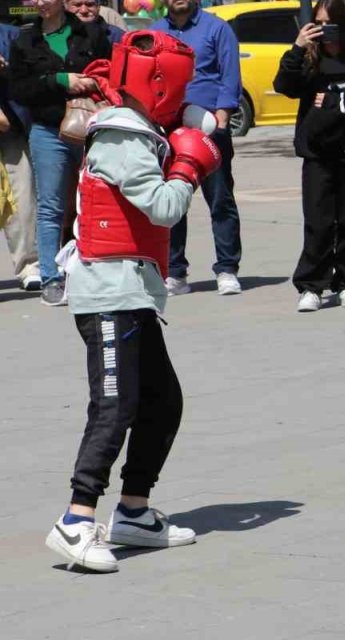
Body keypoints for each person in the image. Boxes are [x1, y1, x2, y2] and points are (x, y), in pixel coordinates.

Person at [44, 31, 221, 573]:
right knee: (114, 405)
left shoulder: (138, 129)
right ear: (161, 85)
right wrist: (189, 166)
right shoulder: (124, 137)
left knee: (162, 402)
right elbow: (164, 207)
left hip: (132, 289)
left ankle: (134, 512)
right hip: (107, 293)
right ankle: (76, 520)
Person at [274, 0, 345, 312]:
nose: (325, 30)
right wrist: (298, 46)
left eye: (331, 23)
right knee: (318, 223)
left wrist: (335, 101)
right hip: (318, 156)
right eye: (319, 23)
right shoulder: (310, 63)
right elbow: (284, 85)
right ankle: (312, 285)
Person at [9, 0, 111, 306]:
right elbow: (19, 90)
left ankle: (95, 272)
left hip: (91, 128)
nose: (40, 4)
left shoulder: (91, 33)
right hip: (48, 132)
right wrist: (59, 80)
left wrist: (93, 81)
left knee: (95, 203)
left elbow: (112, 74)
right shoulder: (25, 40)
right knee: (50, 207)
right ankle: (51, 278)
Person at [151, 0, 244, 297]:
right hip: (168, 129)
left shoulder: (217, 28)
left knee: (220, 200)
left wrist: (222, 118)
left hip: (208, 128)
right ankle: (174, 271)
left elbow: (230, 74)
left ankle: (227, 269)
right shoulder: (155, 32)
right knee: (171, 201)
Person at [0, 21, 39, 292]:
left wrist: (8, 70)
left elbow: (31, 77)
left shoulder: (12, 35)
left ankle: (29, 265)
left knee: (23, 198)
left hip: (13, 129)